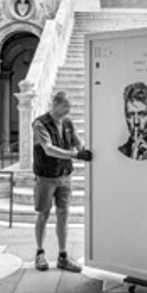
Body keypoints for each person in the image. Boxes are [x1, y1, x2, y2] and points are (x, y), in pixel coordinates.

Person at [33, 91, 91, 272]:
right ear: (55, 104)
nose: (69, 110)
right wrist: (75, 154)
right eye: (66, 106)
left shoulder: (67, 122)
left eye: (70, 107)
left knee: (63, 214)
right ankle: (40, 253)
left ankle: (63, 256)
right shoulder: (40, 123)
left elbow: (77, 141)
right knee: (43, 214)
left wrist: (84, 150)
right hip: (46, 176)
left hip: (65, 175)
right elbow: (48, 149)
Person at [118, 82, 147, 161]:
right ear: (125, 116)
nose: (136, 122)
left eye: (142, 114)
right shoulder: (119, 153)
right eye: (131, 114)